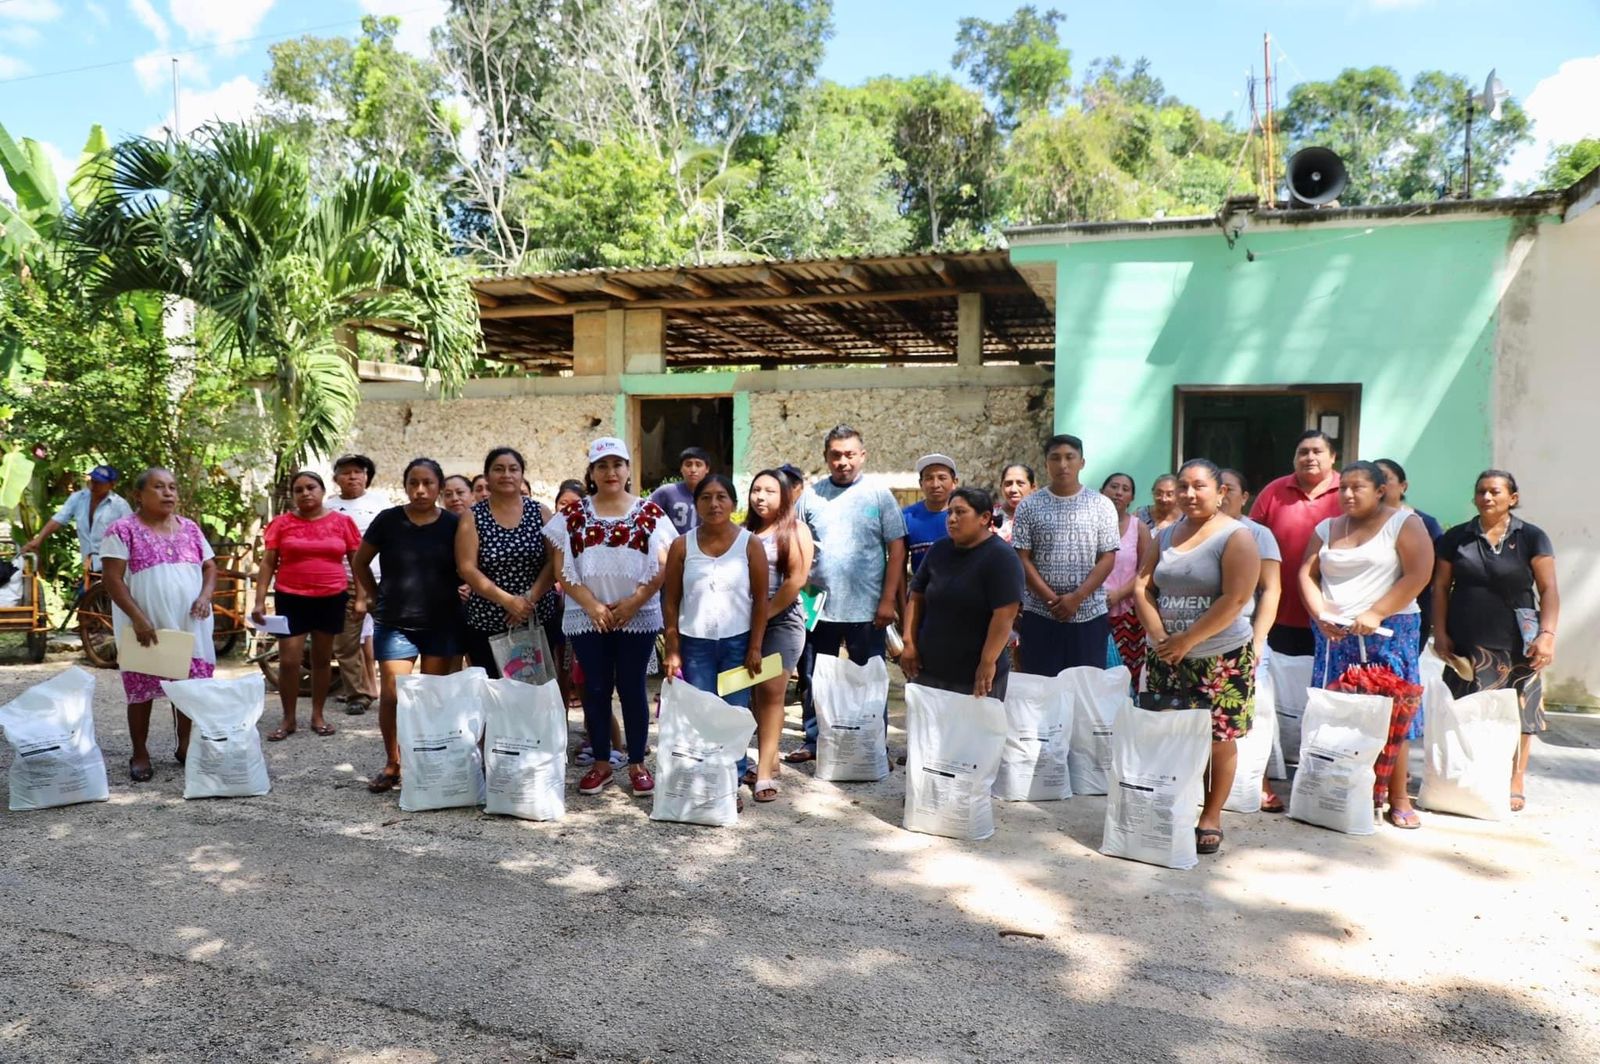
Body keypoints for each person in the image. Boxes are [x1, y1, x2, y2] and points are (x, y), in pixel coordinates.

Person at [1132, 459, 1261, 855]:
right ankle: (1174, 803)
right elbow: (1142, 586)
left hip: (1219, 657)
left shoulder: (1236, 537)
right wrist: (1158, 636)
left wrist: (1187, 640)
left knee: (1219, 740)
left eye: (1199, 486)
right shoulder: (1166, 534)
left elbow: (1236, 598)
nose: (1189, 494)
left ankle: (1211, 816)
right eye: (1183, 486)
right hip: (1167, 656)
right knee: (1171, 736)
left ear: (1221, 492)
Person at [1299, 461, 1434, 830]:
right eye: (1343, 487)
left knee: (1392, 712)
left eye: (1358, 487)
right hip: (1335, 634)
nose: (1347, 494)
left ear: (1379, 490)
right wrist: (1319, 612)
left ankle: (1398, 797)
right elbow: (1306, 573)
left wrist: (1376, 612)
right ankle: (1340, 790)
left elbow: (1420, 573)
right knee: (1339, 711)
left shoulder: (1403, 523)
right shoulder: (1326, 528)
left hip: (1390, 630)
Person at [544, 437, 676, 796]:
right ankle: (602, 763)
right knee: (595, 689)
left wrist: (636, 601)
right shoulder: (572, 516)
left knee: (632, 689)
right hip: (589, 616)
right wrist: (592, 605)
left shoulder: (650, 514)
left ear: (628, 470)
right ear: (591, 472)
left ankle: (636, 763)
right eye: (602, 465)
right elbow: (562, 570)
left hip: (637, 614)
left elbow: (663, 565)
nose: (610, 472)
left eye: (617, 464)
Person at [1431, 470, 1559, 813]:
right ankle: (1468, 775)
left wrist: (1547, 635)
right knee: (1464, 710)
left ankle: (1516, 778)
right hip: (1467, 641)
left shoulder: (1532, 537)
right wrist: (1439, 632)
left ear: (1512, 498)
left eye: (1495, 491)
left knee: (1521, 712)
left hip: (1518, 640)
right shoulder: (1456, 537)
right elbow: (1440, 588)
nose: (1487, 497)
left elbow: (1548, 590)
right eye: (1481, 492)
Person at [785, 425, 906, 764]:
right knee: (813, 676)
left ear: (862, 456)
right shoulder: (811, 496)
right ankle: (815, 738)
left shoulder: (879, 495)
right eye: (836, 455)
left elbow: (897, 549)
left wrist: (887, 601)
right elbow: (796, 545)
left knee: (867, 678)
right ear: (826, 458)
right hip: (816, 606)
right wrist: (797, 596)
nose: (843, 461)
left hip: (867, 609)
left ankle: (871, 738)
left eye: (850, 454)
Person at [98, 468, 217, 782]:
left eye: (173, 487)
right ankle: (140, 752)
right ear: (139, 495)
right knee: (141, 689)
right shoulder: (122, 530)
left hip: (190, 621)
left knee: (189, 686)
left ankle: (184, 745)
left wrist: (205, 595)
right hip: (145, 623)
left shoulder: (190, 528)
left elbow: (210, 566)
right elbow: (111, 578)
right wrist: (138, 617)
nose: (169, 493)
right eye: (159, 487)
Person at [353, 459, 461, 794]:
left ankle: (428, 763)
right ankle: (393, 763)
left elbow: (467, 566)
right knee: (392, 695)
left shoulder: (454, 524)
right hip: (395, 623)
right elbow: (360, 562)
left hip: (441, 623)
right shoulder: (388, 521)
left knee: (431, 698)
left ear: (439, 487)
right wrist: (374, 596)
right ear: (404, 485)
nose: (420, 490)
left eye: (428, 483)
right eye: (413, 483)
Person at [662, 474, 769, 806]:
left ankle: (731, 783)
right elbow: (671, 600)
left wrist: (755, 647)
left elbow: (761, 599)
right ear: (696, 504)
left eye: (721, 497)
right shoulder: (683, 545)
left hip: (738, 642)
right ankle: (704, 781)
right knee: (703, 714)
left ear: (733, 504)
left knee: (734, 713)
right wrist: (673, 648)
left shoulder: (749, 544)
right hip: (695, 644)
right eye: (706, 497)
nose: (714, 503)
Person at [253, 471, 363, 741]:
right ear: (293, 495)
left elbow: (357, 561)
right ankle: (288, 719)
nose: (305, 493)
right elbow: (268, 563)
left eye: (311, 487)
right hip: (291, 597)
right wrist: (258, 600)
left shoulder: (342, 522)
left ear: (323, 490)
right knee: (290, 661)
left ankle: (317, 715)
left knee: (322, 660)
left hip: (332, 597)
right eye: (299, 489)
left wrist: (361, 597)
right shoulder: (281, 524)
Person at [900, 486, 1024, 702]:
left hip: (975, 675)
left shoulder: (1001, 557)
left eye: (960, 512)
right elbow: (916, 596)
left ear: (984, 517)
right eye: (950, 513)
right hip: (929, 670)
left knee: (975, 734)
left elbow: (1005, 615)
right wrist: (909, 643)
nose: (952, 519)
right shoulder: (939, 550)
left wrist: (987, 663)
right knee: (930, 735)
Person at [1010, 434, 1120, 675]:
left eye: (1070, 457)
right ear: (1046, 463)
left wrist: (1077, 597)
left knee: (1086, 691)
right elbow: (1022, 557)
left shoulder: (1101, 504)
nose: (1063, 464)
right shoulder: (1029, 505)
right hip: (1040, 613)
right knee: (1041, 690)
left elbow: (1108, 557)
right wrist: (1052, 600)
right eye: (1055, 458)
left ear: (1082, 462)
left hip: (1089, 613)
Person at [455, 447, 560, 680]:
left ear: (522, 475)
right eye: (498, 469)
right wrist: (508, 601)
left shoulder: (540, 512)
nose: (506, 475)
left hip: (537, 617)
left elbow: (555, 562)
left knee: (537, 689)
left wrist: (527, 600)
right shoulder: (473, 516)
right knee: (495, 694)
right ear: (487, 476)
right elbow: (466, 567)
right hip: (488, 620)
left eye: (513, 469)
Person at [743, 469, 814, 802]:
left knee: (772, 692)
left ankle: (765, 771)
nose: (761, 497)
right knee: (755, 694)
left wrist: (764, 616)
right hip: (745, 623)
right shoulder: (743, 532)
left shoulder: (797, 530)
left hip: (782, 621)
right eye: (756, 489)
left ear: (784, 496)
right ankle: (769, 755)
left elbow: (795, 581)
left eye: (770, 491)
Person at [1220, 467, 1286, 811]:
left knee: (1254, 714)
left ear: (1245, 496)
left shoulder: (1258, 534)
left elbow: (1271, 589)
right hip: (1200, 638)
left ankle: (1259, 780)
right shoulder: (1195, 530)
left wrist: (1259, 640)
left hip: (1244, 635)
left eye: (1230, 488)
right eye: (1219, 487)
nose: (1223, 493)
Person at [1250, 430, 1343, 657]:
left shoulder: (1346, 491)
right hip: (1279, 609)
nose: (1310, 457)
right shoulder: (1274, 491)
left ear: (1333, 457)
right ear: (1294, 459)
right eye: (1303, 452)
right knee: (1281, 683)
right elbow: (1249, 538)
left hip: (1335, 613)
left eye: (1317, 451)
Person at [327, 454, 384, 716]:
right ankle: (360, 693)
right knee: (350, 641)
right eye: (346, 472)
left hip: (382, 580)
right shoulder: (328, 507)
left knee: (385, 637)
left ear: (366, 477)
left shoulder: (381, 504)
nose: (352, 477)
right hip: (345, 581)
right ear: (336, 478)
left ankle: (389, 688)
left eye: (358, 472)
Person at [1373, 458, 1445, 640]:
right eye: (1372, 478)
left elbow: (1436, 575)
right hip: (1364, 612)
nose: (1378, 483)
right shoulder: (1357, 523)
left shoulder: (1425, 524)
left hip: (1411, 612)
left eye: (1384, 477)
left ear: (1403, 486)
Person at [22, 464, 132, 573]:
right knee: (88, 590)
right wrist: (38, 540)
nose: (94, 485)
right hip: (89, 564)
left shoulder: (120, 506)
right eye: (93, 481)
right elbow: (59, 519)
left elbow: (132, 534)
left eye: (99, 483)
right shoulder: (79, 498)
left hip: (113, 566)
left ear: (111, 485)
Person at [1099, 472, 1153, 685]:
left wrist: (1118, 595)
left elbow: (1146, 572)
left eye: (1125, 489)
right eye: (1113, 486)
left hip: (1128, 615)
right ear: (1102, 491)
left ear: (1131, 498)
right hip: (1090, 611)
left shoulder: (1139, 527)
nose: (1118, 493)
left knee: (1125, 675)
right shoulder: (1088, 523)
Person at [902, 454, 958, 573]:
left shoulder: (966, 516)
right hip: (921, 590)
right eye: (929, 478)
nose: (935, 485)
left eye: (942, 478)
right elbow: (899, 562)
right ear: (920, 483)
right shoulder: (907, 517)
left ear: (954, 482)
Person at [648, 446, 713, 536]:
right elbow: (644, 515)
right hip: (671, 547)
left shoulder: (713, 495)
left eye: (698, 465)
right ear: (681, 468)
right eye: (688, 465)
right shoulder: (667, 492)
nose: (693, 470)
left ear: (707, 469)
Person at [995, 463, 1036, 543]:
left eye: (1020, 484)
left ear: (1032, 488)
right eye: (1008, 484)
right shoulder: (989, 518)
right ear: (1001, 487)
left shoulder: (1043, 518)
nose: (1013, 489)